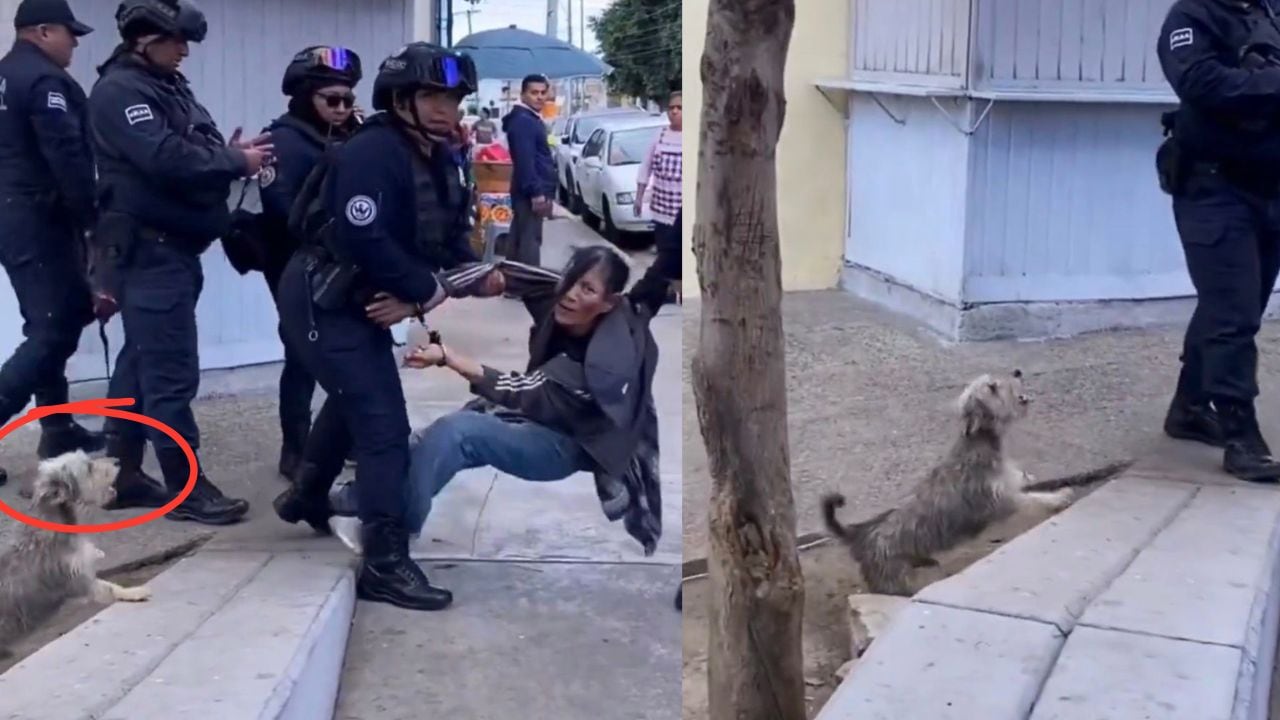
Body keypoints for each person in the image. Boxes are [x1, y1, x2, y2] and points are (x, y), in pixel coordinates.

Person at [272, 42, 504, 612]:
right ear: (401, 100)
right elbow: (362, 236)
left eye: (453, 97)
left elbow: (448, 242)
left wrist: (475, 275)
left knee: (357, 398)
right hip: (321, 297)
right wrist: (424, 291)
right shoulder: (374, 150)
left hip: (362, 299)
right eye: (432, 96)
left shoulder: (441, 156)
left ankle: (305, 495)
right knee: (381, 428)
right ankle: (385, 561)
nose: (446, 108)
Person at [329, 244, 678, 602]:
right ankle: (360, 500)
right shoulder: (558, 295)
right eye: (573, 280)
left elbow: (521, 390)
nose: (572, 294)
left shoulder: (605, 363)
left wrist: (447, 356)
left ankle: (392, 544)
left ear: (608, 303)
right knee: (431, 439)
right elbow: (500, 272)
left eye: (587, 289)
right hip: (537, 414)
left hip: (565, 445)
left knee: (458, 434)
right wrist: (420, 301)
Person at [86, 0, 272, 523]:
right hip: (150, 252)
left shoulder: (163, 84)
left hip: (172, 249)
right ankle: (185, 489)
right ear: (143, 39)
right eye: (175, 41)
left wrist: (231, 154)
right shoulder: (122, 91)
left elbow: (190, 146)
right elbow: (164, 157)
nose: (184, 51)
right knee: (171, 374)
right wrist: (236, 162)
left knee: (140, 365)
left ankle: (120, 475)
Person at [1156, 0, 1280, 482]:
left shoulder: (1269, 11)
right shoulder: (1190, 18)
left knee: (1237, 306)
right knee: (1232, 313)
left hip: (1269, 189)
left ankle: (1188, 407)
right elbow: (1203, 83)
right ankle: (1241, 436)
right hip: (1213, 189)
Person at [0, 0, 105, 489]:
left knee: (47, 322)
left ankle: (58, 427)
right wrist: (92, 223)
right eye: (70, 33)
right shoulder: (45, 83)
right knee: (55, 330)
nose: (76, 43)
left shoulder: (4, 76)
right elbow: (68, 159)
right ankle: (51, 425)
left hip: (12, 216)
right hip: (38, 216)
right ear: (42, 31)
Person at [257, 45, 363, 480]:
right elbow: (283, 212)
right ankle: (295, 449)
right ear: (305, 97)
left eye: (348, 100)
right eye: (331, 100)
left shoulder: (341, 137)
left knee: (343, 355)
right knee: (301, 358)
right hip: (294, 268)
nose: (341, 109)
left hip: (339, 268)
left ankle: (344, 437)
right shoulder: (283, 142)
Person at [502, 73, 556, 266]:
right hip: (531, 190)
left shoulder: (528, 119)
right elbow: (525, 160)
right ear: (523, 94)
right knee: (530, 239)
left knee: (520, 235)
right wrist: (536, 192)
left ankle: (513, 282)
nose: (540, 97)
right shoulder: (524, 121)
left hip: (529, 188)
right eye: (534, 93)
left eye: (543, 92)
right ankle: (529, 285)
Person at [636, 90, 682, 269]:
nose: (675, 112)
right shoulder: (659, 136)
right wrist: (639, 198)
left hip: (684, 212)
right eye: (671, 108)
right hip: (662, 213)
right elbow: (645, 168)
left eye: (680, 108)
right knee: (666, 256)